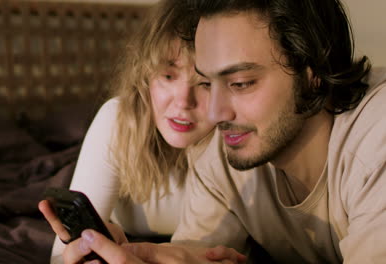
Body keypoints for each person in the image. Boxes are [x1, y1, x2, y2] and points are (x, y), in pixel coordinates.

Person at [47, 0, 386, 263]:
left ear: (313, 72)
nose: (213, 112)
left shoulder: (377, 137)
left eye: (240, 83)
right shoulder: (222, 155)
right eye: (211, 82)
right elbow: (195, 255)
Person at [39, 0, 217, 263]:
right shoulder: (119, 120)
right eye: (168, 76)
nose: (183, 101)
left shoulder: (236, 141)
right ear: (145, 76)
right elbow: (59, 257)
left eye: (205, 83)